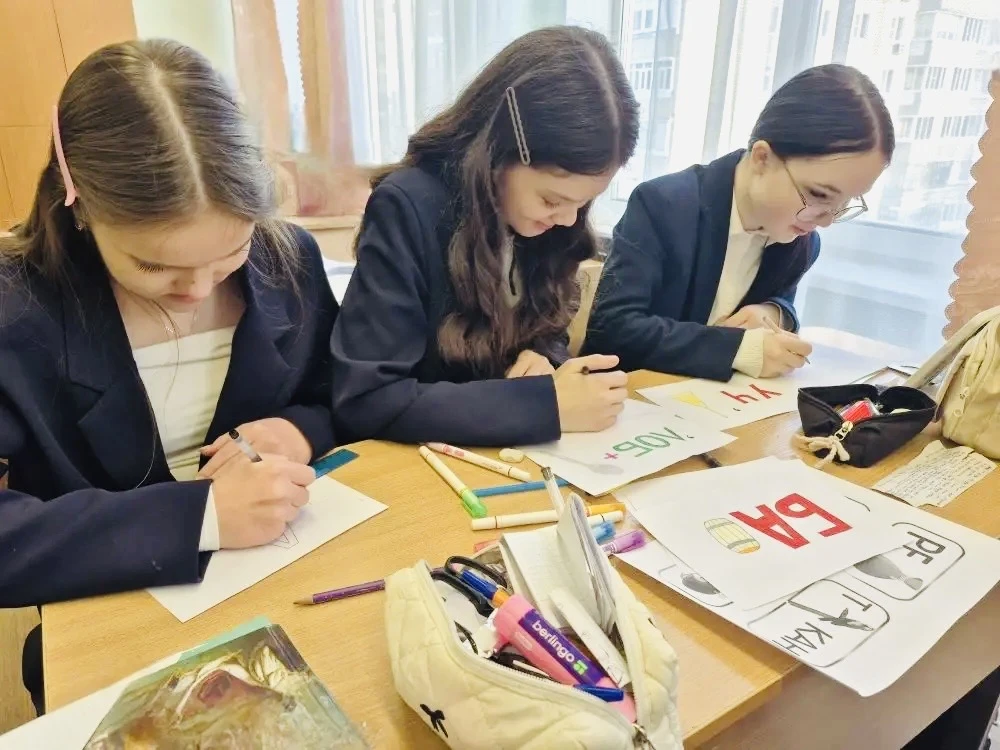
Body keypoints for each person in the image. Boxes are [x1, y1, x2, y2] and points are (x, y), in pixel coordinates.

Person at [0, 40, 338, 709]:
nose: (197, 289)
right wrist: (199, 518)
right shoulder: (17, 308)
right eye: (154, 266)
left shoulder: (287, 258)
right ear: (80, 206)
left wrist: (298, 432)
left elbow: (339, 395)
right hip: (114, 611)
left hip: (286, 586)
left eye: (231, 250)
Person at [330, 26, 640, 446]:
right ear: (498, 150)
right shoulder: (409, 206)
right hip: (422, 463)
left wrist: (543, 360)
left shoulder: (543, 222)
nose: (569, 220)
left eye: (583, 204)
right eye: (552, 199)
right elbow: (367, 399)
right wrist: (540, 405)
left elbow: (548, 328)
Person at [583, 64, 894, 381]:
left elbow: (783, 303)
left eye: (845, 204)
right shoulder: (664, 205)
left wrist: (773, 313)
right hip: (626, 398)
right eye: (819, 194)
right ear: (762, 158)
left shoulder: (800, 237)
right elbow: (613, 329)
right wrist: (739, 348)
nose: (826, 221)